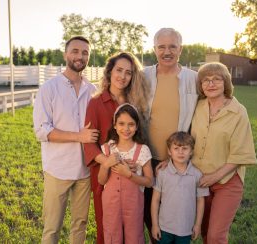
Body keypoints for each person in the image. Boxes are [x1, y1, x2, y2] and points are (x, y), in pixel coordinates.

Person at [33, 36, 100, 244]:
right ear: (65, 54)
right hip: (58, 170)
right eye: (75, 51)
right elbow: (42, 131)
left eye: (85, 53)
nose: (80, 56)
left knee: (79, 225)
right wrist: (79, 136)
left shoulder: (92, 91)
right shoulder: (49, 88)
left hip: (84, 171)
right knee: (52, 227)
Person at [84, 52, 149, 244]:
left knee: (133, 228)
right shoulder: (96, 103)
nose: (122, 76)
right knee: (108, 229)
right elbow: (89, 144)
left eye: (128, 72)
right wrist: (110, 163)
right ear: (110, 71)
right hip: (105, 175)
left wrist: (135, 164)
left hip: (132, 178)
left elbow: (140, 137)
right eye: (119, 70)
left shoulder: (135, 102)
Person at [191, 62, 257, 243]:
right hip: (199, 180)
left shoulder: (238, 111)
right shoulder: (197, 107)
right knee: (204, 231)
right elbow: (186, 140)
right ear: (201, 86)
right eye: (206, 80)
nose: (210, 84)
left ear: (226, 82)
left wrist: (214, 177)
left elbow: (240, 154)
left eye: (216, 79)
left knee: (216, 236)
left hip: (227, 180)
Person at [143, 27, 198, 243]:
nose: (167, 51)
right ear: (154, 49)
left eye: (172, 46)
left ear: (180, 49)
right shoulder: (143, 75)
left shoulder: (192, 78)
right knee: (149, 212)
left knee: (174, 216)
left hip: (177, 160)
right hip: (146, 159)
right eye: (162, 47)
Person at [98, 103, 154, 244]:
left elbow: (149, 181)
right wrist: (106, 164)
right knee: (112, 235)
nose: (126, 129)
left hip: (133, 205)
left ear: (137, 126)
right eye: (121, 124)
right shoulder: (107, 148)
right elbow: (101, 181)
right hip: (111, 204)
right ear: (115, 125)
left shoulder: (142, 150)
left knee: (134, 236)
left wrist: (129, 174)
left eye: (131, 124)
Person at [151, 131, 209, 244]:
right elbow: (155, 200)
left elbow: (200, 201)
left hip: (185, 229)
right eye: (176, 148)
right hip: (164, 227)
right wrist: (155, 224)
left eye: (185, 148)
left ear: (191, 151)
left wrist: (197, 225)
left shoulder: (197, 175)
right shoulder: (162, 173)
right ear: (169, 151)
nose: (180, 152)